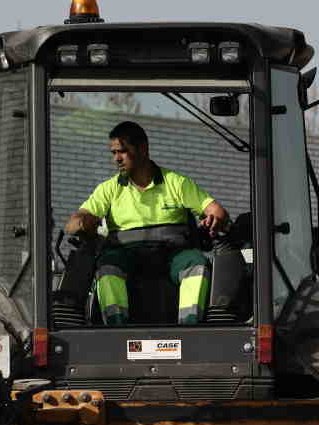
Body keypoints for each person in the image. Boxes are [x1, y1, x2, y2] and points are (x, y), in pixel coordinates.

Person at [64, 121, 229, 325]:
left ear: (143, 149)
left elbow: (217, 212)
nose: (117, 158)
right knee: (107, 266)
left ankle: (189, 328)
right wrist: (82, 223)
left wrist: (215, 219)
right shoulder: (109, 189)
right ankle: (116, 329)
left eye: (123, 151)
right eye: (114, 152)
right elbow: (73, 223)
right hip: (126, 255)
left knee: (196, 263)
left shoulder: (176, 183)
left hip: (172, 256)